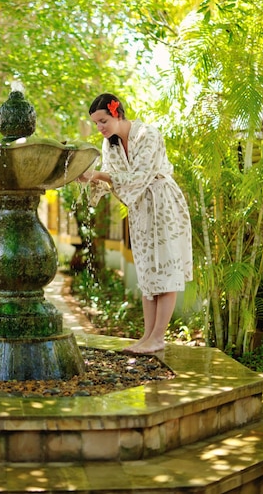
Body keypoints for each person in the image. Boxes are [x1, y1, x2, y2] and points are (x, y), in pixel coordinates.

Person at [78, 93, 193, 354]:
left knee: (165, 267)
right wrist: (90, 179)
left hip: (163, 203)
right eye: (96, 123)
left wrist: (99, 174)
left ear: (117, 113)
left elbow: (139, 176)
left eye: (103, 121)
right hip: (140, 209)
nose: (100, 128)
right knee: (146, 271)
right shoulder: (111, 145)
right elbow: (113, 180)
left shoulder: (148, 135)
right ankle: (146, 337)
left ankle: (158, 337)